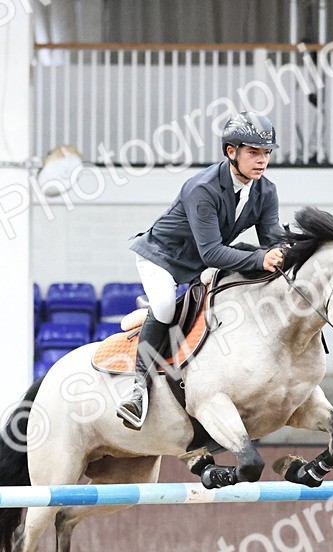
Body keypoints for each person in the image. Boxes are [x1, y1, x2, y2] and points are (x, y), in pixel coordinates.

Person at [118, 111, 288, 429]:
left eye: (267, 153)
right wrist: (260, 258)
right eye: (254, 152)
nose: (262, 160)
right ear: (231, 152)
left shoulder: (266, 192)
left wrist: (291, 251)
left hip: (198, 263)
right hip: (162, 257)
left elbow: (271, 242)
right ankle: (137, 389)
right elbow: (212, 253)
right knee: (167, 307)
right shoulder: (203, 188)